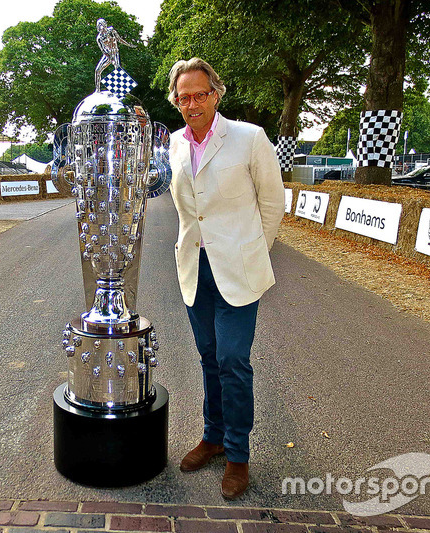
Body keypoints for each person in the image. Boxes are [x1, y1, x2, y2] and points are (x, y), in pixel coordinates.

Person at [167, 58, 284, 500]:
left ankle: (237, 455)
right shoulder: (175, 144)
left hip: (237, 270)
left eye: (200, 94)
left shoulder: (249, 138)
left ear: (216, 93)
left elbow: (272, 204)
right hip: (195, 271)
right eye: (183, 97)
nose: (192, 103)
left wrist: (252, 251)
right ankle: (213, 436)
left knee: (233, 360)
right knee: (209, 358)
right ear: (176, 101)